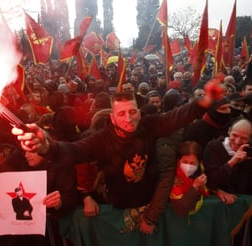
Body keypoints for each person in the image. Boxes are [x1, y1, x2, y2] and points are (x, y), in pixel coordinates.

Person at [11, 78, 224, 235]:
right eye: (121, 114)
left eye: (132, 112)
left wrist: (205, 101)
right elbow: (73, 151)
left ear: (140, 112)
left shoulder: (149, 125)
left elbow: (177, 117)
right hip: (116, 209)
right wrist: (46, 145)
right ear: (112, 118)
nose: (128, 119)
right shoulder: (101, 139)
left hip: (149, 204)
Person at [203, 119, 252, 204]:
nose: (238, 141)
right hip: (215, 204)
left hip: (241, 206)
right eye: (234, 135)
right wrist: (232, 162)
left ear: (251, 138)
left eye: (244, 138)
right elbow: (211, 182)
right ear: (229, 131)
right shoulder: (213, 147)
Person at [169, 141, 208, 216]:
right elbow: (180, 209)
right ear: (179, 160)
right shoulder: (172, 177)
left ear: (199, 163)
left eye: (192, 163)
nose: (188, 166)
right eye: (185, 162)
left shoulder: (200, 171)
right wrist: (195, 186)